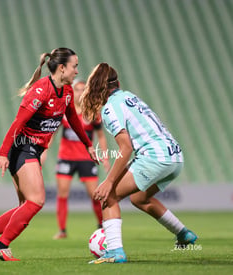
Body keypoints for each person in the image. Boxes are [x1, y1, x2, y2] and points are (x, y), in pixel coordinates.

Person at [0, 48, 98, 262]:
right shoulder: (40, 91)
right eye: (74, 66)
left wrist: (88, 145)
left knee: (26, 206)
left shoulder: (66, 91)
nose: (76, 71)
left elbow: (73, 119)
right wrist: (2, 154)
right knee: (36, 201)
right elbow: (17, 123)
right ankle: (0, 247)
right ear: (62, 68)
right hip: (22, 148)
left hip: (32, 150)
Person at [80, 63, 198, 264]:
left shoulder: (109, 108)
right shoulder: (130, 97)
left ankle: (115, 252)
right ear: (117, 82)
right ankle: (183, 234)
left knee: (108, 196)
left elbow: (125, 148)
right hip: (175, 156)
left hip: (155, 157)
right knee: (139, 198)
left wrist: (109, 182)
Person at [48, 79, 110, 240]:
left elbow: (101, 136)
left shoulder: (92, 113)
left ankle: (102, 226)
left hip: (86, 159)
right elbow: (52, 133)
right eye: (77, 89)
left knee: (95, 194)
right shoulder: (64, 111)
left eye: (83, 90)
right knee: (62, 194)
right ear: (72, 91)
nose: (80, 92)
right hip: (66, 158)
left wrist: (105, 156)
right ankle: (62, 230)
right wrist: (44, 150)